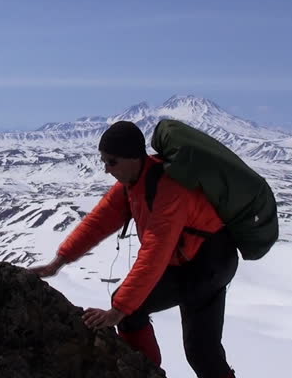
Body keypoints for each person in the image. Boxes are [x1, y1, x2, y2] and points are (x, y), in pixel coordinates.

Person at [29, 121, 238, 378]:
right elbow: (98, 222)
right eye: (103, 161)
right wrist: (58, 262)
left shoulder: (169, 188)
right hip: (191, 260)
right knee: (202, 350)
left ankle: (146, 372)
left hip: (209, 264)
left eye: (112, 162)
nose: (106, 169)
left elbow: (155, 251)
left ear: (134, 158)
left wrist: (119, 310)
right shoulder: (133, 184)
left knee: (148, 321)